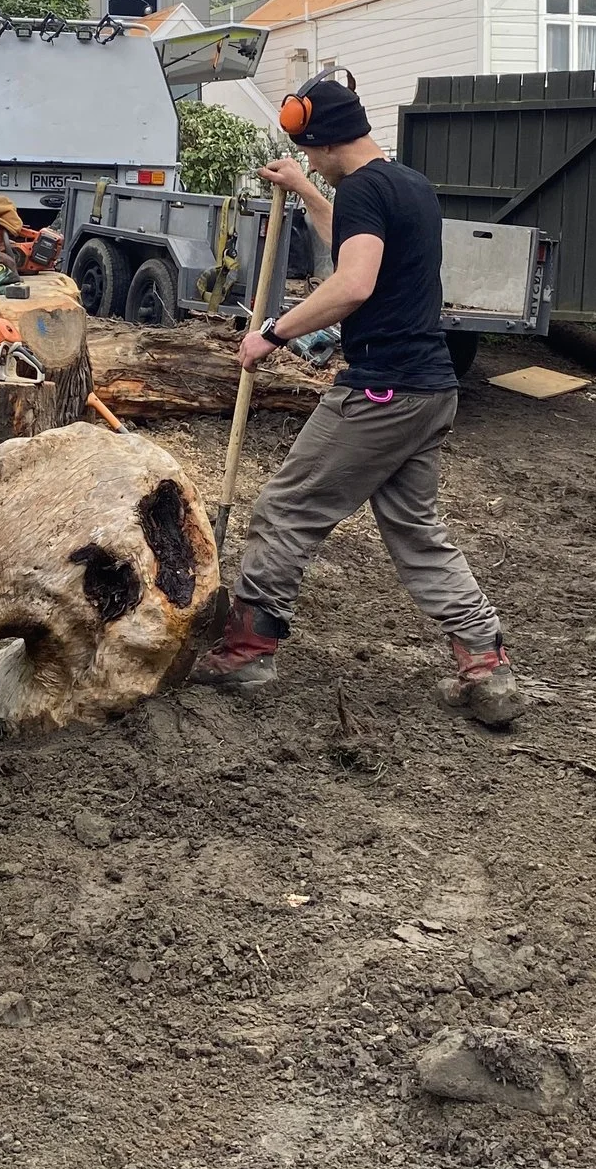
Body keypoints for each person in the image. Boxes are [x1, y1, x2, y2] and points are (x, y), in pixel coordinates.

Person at [191, 73, 524, 727]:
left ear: (322, 137)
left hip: (381, 390)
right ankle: (488, 662)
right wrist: (305, 189)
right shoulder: (407, 185)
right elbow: (352, 234)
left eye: (310, 154)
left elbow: (354, 280)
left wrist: (272, 332)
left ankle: (248, 649)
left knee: (286, 507)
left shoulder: (366, 189)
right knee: (418, 533)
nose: (311, 160)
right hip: (431, 390)